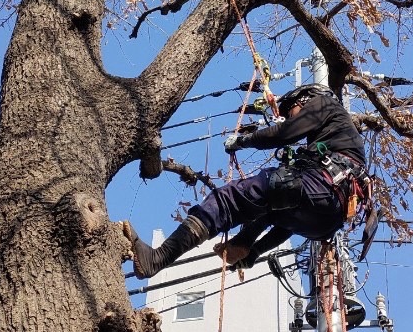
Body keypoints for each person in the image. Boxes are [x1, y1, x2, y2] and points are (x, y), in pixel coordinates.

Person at [123, 84, 371, 279]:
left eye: (289, 111)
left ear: (303, 99)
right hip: (327, 219)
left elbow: (284, 134)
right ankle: (244, 245)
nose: (287, 117)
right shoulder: (341, 140)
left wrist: (244, 141)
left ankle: (157, 259)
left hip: (325, 186)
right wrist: (256, 252)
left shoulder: (323, 103)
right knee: (275, 207)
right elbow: (287, 225)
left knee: (227, 200)